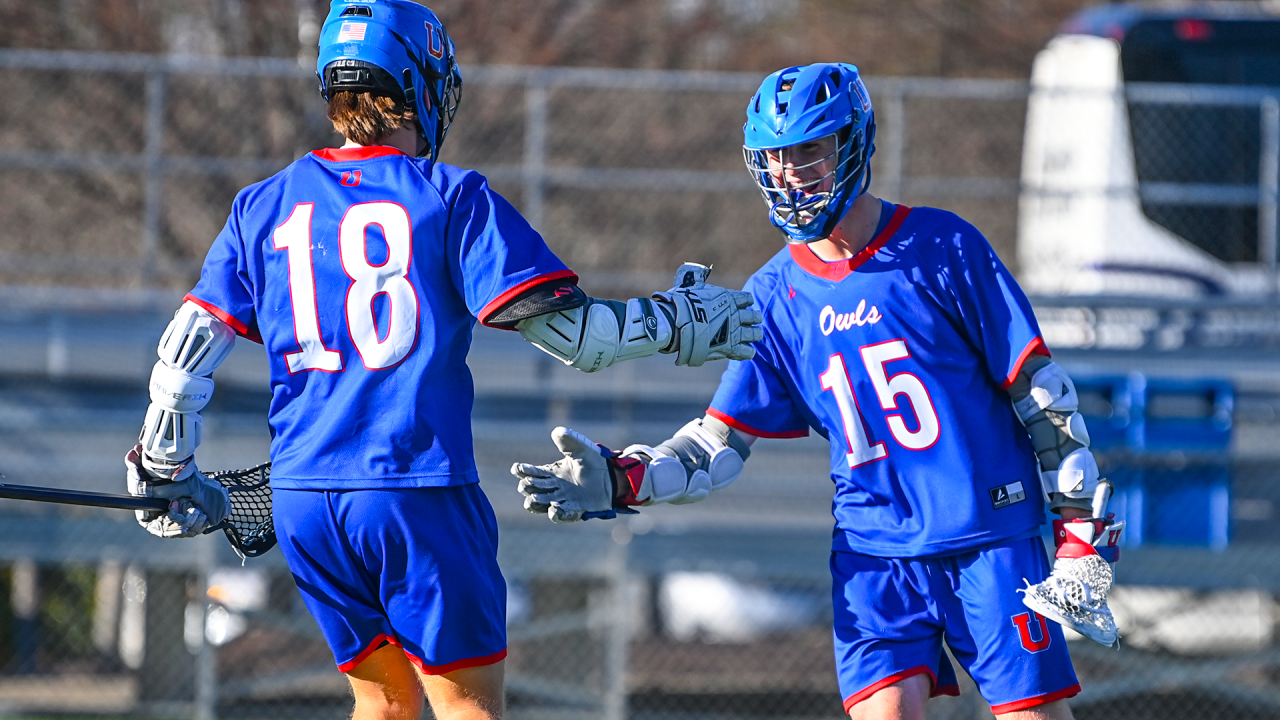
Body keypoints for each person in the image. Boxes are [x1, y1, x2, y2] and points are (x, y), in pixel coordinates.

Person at [121, 2, 761, 719]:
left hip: (304, 501)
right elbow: (581, 340)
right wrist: (675, 323)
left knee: (383, 705)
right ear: (416, 81)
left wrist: (166, 470)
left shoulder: (260, 205)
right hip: (416, 492)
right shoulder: (450, 198)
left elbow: (184, 357)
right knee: (468, 708)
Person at [511, 62, 1125, 720]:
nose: (790, 174)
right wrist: (626, 478)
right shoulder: (774, 295)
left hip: (987, 536)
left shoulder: (944, 246)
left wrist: (1079, 533)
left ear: (854, 144)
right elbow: (719, 445)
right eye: (774, 158)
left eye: (809, 151)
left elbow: (1044, 399)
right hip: (872, 552)